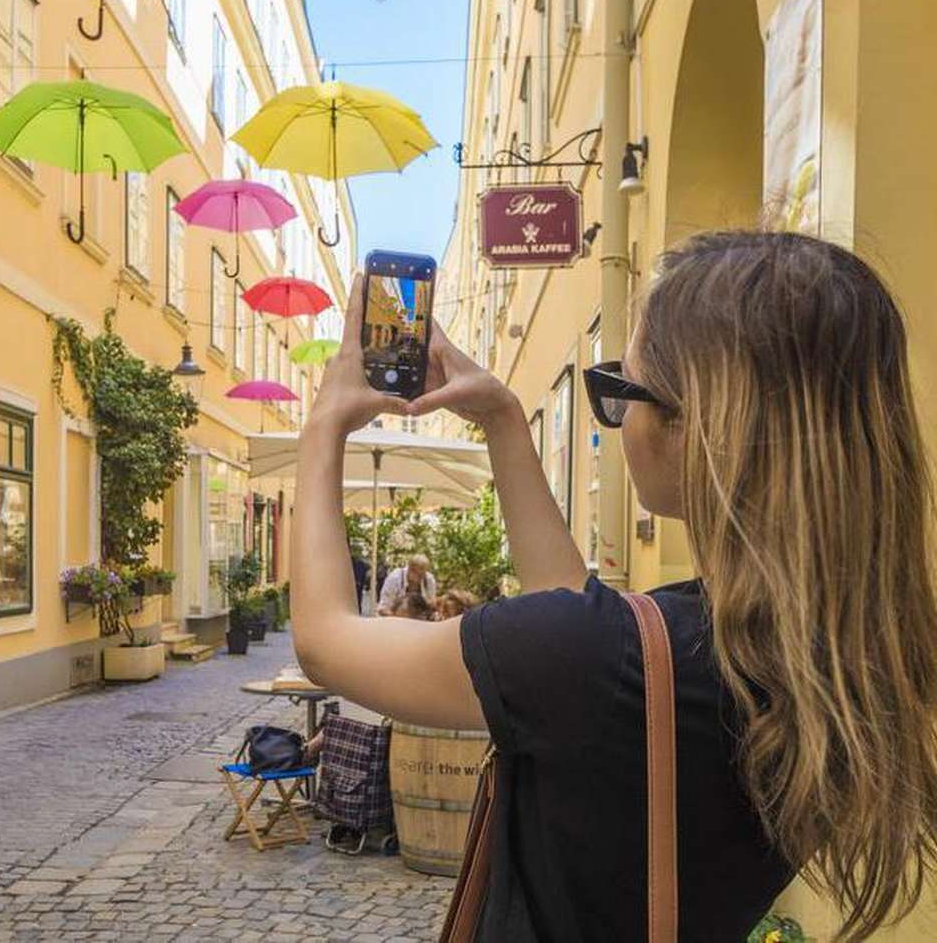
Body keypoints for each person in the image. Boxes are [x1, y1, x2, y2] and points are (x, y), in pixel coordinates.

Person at [290, 233, 937, 940]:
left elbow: (326, 642)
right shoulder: (836, 649)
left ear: (700, 425)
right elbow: (585, 635)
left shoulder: (606, 659)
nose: (620, 417)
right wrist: (504, 418)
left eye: (621, 391)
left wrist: (324, 426)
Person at [349, 539, 371, 613]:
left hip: (358, 585)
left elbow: (368, 571)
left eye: (358, 550)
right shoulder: (351, 562)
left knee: (358, 600)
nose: (356, 552)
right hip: (353, 585)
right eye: (355, 550)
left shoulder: (362, 564)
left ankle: (357, 611)